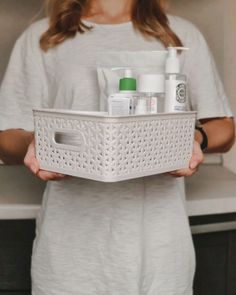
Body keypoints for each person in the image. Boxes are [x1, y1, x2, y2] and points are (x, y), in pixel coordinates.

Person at [0, 0, 235, 294]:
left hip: (161, 253)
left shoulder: (179, 34)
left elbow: (225, 128)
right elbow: (6, 139)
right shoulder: (44, 37)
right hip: (69, 255)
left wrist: (192, 138)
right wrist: (36, 143)